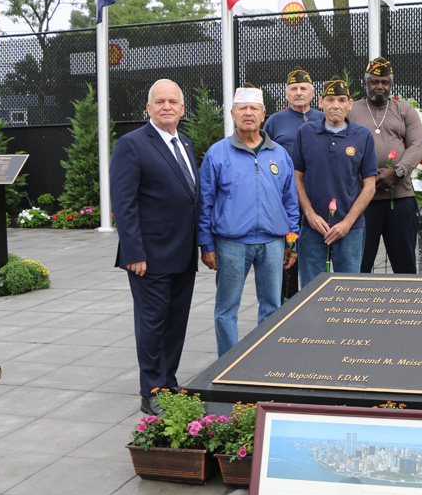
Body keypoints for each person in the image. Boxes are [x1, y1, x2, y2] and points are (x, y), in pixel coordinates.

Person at [110, 79, 199, 416]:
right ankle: (151, 391)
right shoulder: (132, 144)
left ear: (181, 108)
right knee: (152, 325)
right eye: (159, 101)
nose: (166, 107)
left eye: (172, 101)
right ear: (148, 108)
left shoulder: (185, 144)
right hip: (149, 257)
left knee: (176, 323)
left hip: (182, 254)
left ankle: (169, 382)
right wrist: (134, 252)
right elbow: (125, 202)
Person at [198, 85, 300, 358]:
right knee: (226, 309)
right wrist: (206, 245)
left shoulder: (279, 154)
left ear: (264, 113)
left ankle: (264, 363)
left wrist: (293, 239)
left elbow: (290, 201)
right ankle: (228, 365)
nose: (248, 113)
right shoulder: (216, 154)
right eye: (242, 108)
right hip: (231, 244)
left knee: (272, 306)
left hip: (273, 243)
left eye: (253, 108)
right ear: (232, 113)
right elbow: (205, 203)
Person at [292, 77, 377, 286]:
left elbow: (370, 185)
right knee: (310, 290)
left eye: (341, 100)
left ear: (350, 104)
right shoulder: (305, 133)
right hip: (313, 227)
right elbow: (296, 178)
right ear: (320, 102)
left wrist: (347, 223)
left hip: (350, 228)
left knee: (348, 290)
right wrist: (310, 215)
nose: (335, 105)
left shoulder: (363, 136)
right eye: (330, 100)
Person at [348, 57, 422, 274]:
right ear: (365, 84)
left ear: (391, 84)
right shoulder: (352, 110)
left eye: (385, 82)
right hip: (362, 200)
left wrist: (397, 172)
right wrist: (366, 176)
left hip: (400, 198)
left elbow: (417, 145)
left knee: (405, 266)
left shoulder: (405, 110)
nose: (379, 86)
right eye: (374, 81)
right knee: (360, 265)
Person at [264, 68, 325, 300]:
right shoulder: (274, 122)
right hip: (284, 201)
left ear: (312, 93)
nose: (299, 93)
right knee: (287, 257)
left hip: (317, 200)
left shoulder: (323, 118)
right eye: (293, 89)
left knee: (315, 256)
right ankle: (285, 307)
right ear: (286, 94)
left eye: (303, 88)